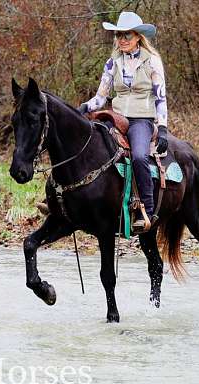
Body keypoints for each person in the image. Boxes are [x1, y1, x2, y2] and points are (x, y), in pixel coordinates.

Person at [77, 11, 169, 232]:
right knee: (86, 146)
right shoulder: (112, 63)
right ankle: (67, 200)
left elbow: (160, 96)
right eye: (119, 35)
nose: (122, 40)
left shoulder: (152, 62)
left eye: (127, 35)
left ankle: (144, 208)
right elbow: (101, 97)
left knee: (138, 156)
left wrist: (163, 128)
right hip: (116, 117)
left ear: (138, 36)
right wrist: (83, 108)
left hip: (141, 119)